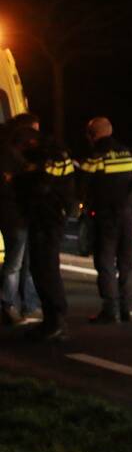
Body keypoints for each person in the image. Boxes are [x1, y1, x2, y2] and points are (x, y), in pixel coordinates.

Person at [13, 126, 77, 342]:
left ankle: (57, 321)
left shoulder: (53, 158)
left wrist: (19, 179)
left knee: (46, 269)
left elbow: (41, 187)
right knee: (40, 269)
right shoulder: (51, 155)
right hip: (45, 219)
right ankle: (52, 321)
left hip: (48, 220)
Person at [79, 117, 132, 324]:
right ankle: (128, 309)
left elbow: (83, 184)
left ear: (92, 134)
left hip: (105, 216)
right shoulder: (127, 153)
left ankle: (110, 309)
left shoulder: (95, 156)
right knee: (128, 261)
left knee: (105, 262)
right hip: (127, 215)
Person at [0, 114, 43, 326]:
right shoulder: (11, 156)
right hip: (14, 216)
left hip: (21, 216)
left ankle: (29, 304)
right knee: (14, 263)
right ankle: (7, 305)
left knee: (24, 262)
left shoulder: (17, 155)